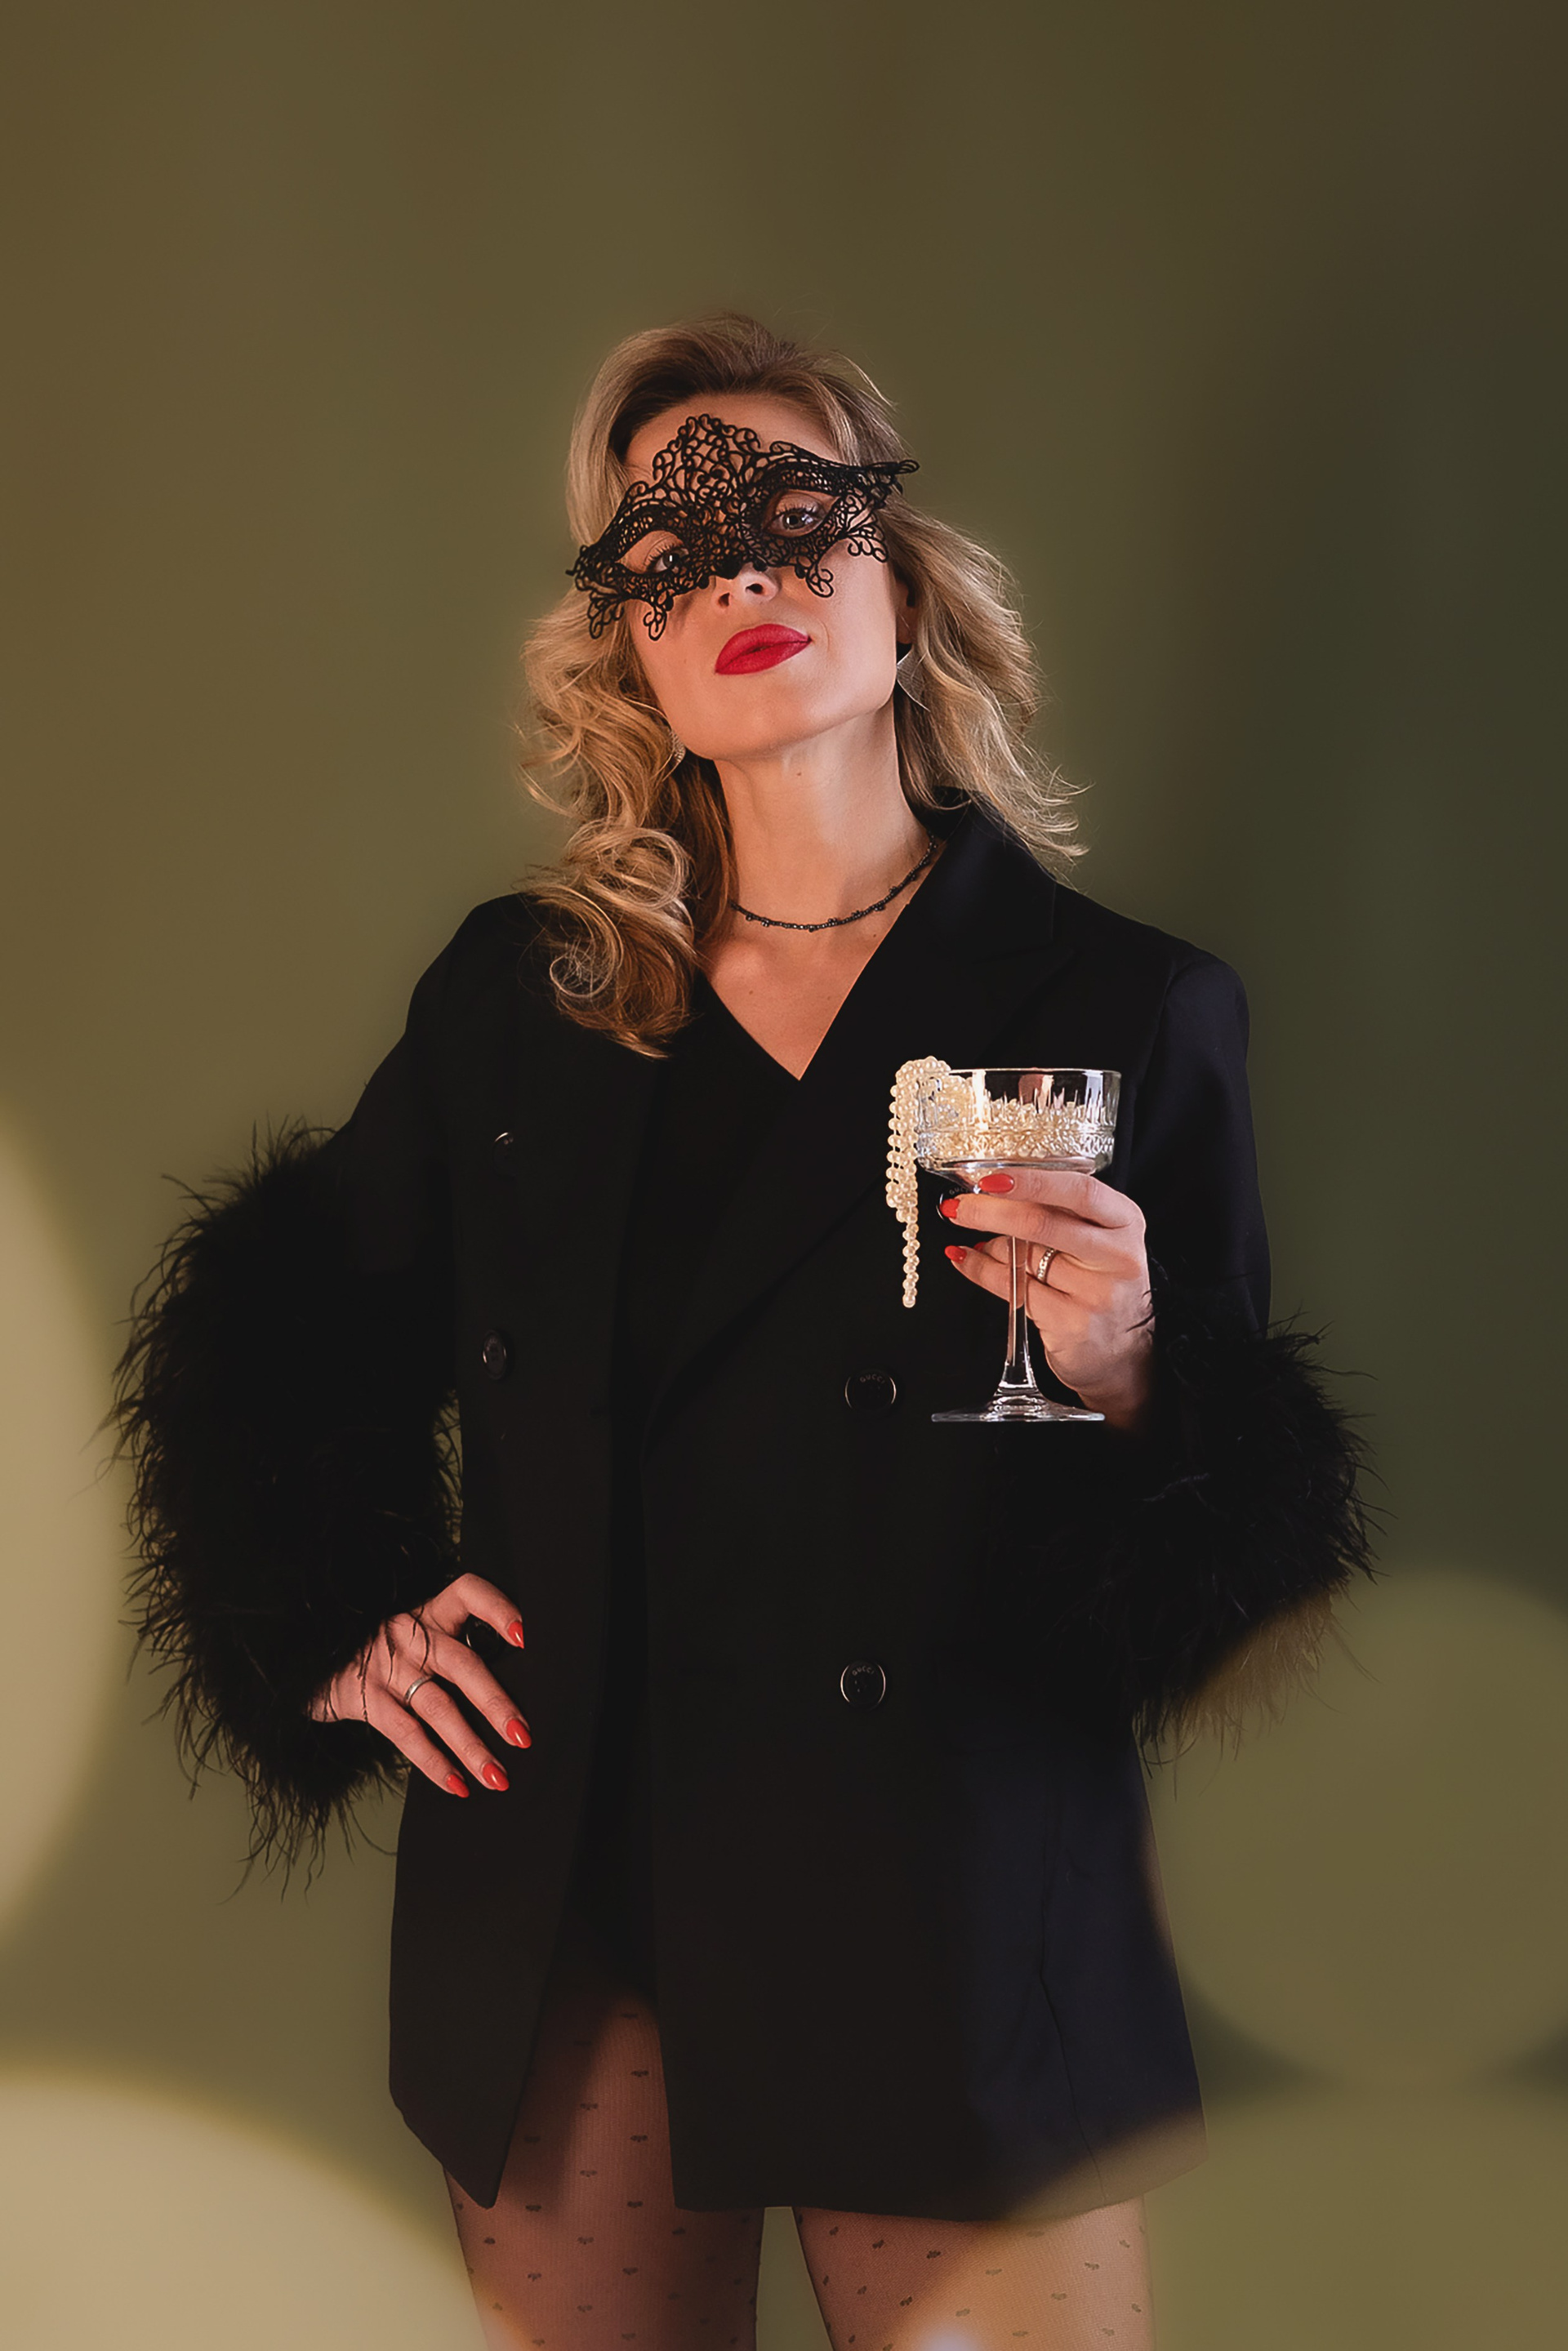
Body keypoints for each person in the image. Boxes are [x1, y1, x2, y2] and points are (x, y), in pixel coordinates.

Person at [112, 313, 1370, 2350]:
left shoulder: (1124, 1007)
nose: (740, 582)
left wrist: (1144, 1371)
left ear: (903, 580)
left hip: (955, 1903)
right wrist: (327, 1606)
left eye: (796, 520)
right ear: (628, 655)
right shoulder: (526, 1001)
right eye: (669, 559)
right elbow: (283, 1329)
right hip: (576, 1893)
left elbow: (1245, 1555)